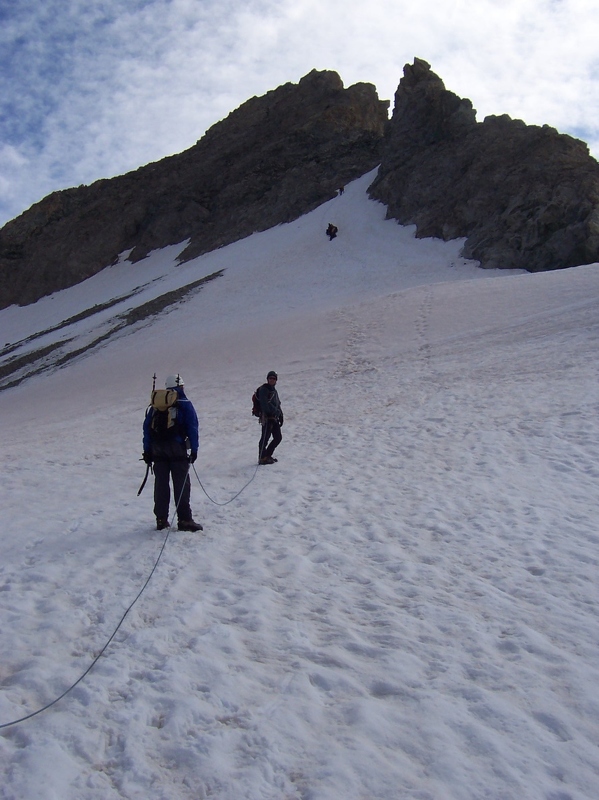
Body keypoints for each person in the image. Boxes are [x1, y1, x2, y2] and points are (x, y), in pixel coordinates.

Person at [143, 374, 203, 531]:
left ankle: (161, 519)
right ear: (181, 386)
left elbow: (147, 429)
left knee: (161, 485)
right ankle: (184, 520)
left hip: (157, 450)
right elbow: (192, 427)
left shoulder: (156, 405)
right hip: (177, 449)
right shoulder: (184, 404)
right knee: (181, 484)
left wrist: (147, 451)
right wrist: (194, 449)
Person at [257, 370, 283, 465]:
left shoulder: (273, 390)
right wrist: (269, 414)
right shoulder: (264, 389)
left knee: (278, 437)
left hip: (274, 417)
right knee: (265, 437)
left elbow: (277, 404)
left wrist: (280, 415)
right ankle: (262, 457)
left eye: (274, 378)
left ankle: (267, 455)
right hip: (267, 418)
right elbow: (264, 403)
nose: (272, 380)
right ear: (267, 379)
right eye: (270, 378)